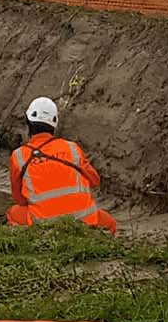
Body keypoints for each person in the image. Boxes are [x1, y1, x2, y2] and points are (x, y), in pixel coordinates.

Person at [7, 96, 117, 233]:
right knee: (110, 223)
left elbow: (20, 200)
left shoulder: (19, 156)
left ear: (28, 124)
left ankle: (32, 243)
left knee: (13, 213)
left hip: (43, 223)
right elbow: (95, 180)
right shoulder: (72, 148)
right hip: (84, 219)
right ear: (54, 124)